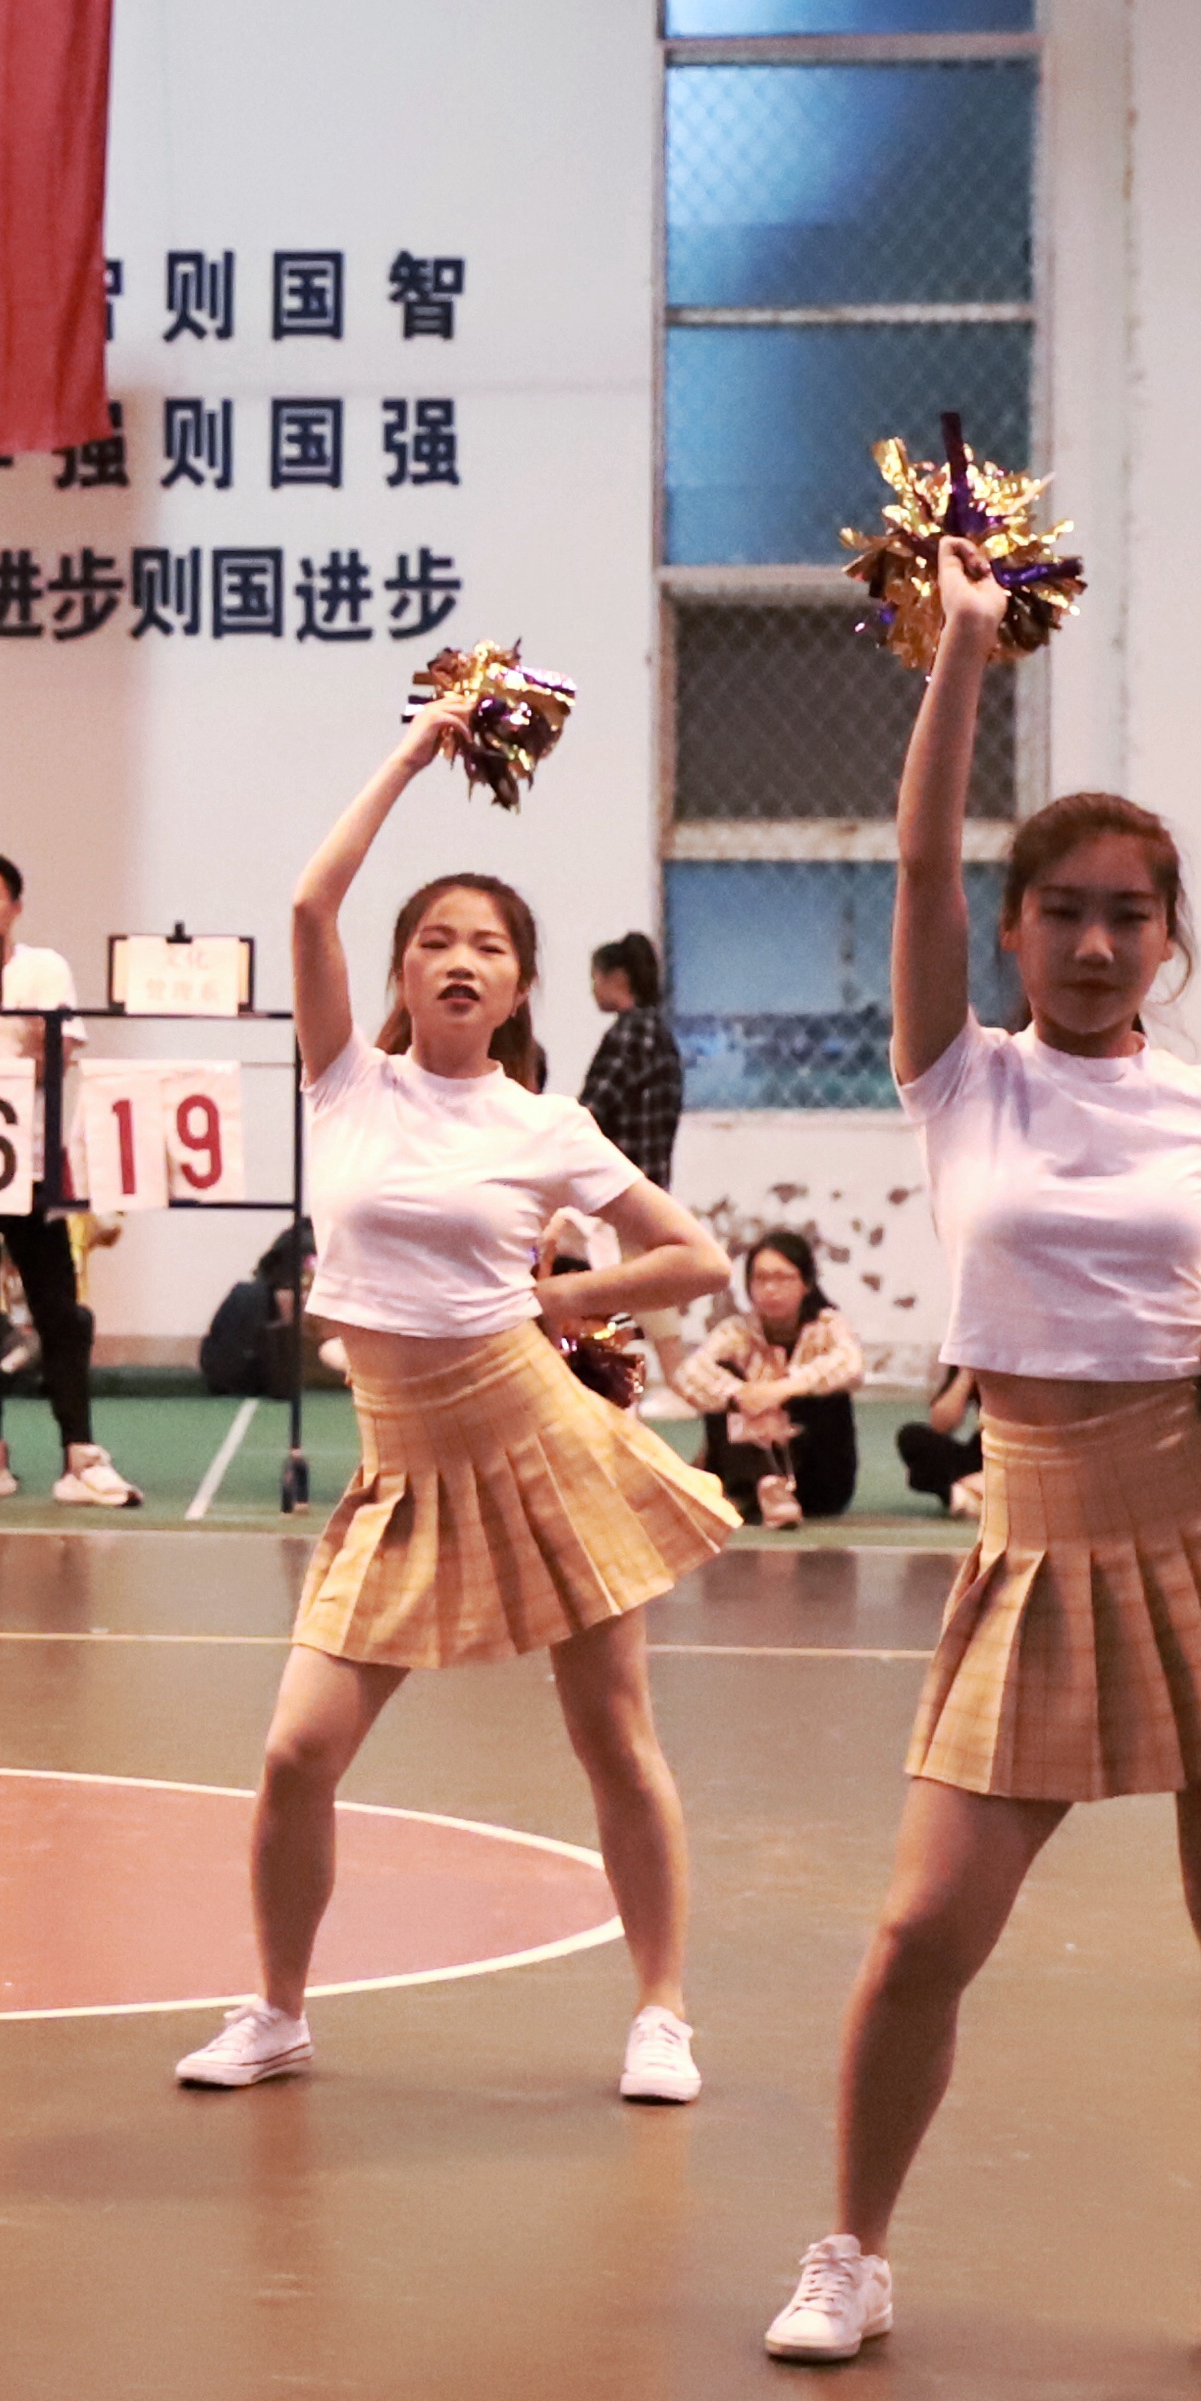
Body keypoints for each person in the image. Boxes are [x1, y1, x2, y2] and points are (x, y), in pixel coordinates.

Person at [766, 534, 1201, 2395]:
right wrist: (961, 653)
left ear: (1167, 937)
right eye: (1057, 909)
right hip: (1039, 1529)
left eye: (1126, 914)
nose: (1089, 940)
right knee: (924, 1925)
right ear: (1008, 930)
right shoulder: (958, 1076)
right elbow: (913, 859)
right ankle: (851, 2250)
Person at [175, 707, 736, 2110]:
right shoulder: (344, 1083)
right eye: (434, 939)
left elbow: (693, 1258)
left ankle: (661, 2011)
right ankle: (277, 2009)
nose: (458, 958)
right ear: (400, 971)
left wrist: (560, 1300)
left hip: (541, 1447)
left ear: (521, 985)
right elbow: (309, 900)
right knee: (296, 1751)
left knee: (613, 1741)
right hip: (399, 1468)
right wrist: (416, 751)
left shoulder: (543, 1125)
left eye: (486, 944)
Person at [0, 847, 135, 1509]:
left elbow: (53, 1056)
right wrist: (4, 1063)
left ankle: (80, 1455)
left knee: (57, 1310)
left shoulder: (43, 968)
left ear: (14, 907)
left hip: (34, 1161)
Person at [674, 1230, 862, 1525]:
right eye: (761, 1279)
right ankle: (765, 1484)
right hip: (746, 1472)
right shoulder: (737, 1331)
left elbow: (852, 1365)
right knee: (723, 1378)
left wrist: (781, 1391)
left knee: (830, 1394)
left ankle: (772, 1490)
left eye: (783, 1278)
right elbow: (689, 1374)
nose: (771, 1289)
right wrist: (740, 1395)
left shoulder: (828, 1326)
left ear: (807, 1283)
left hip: (817, 1486)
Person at [578, 933, 685, 1193]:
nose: (593, 990)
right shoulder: (661, 1034)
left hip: (620, 1192)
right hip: (653, 1192)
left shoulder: (629, 1035)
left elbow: (589, 1113)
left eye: (596, 978)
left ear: (618, 977)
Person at [897, 1364, 984, 1515]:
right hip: (987, 1449)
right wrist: (967, 1375)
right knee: (913, 1438)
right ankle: (969, 1493)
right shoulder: (972, 1356)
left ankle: (973, 1496)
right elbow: (940, 1425)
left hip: (1023, 1453)